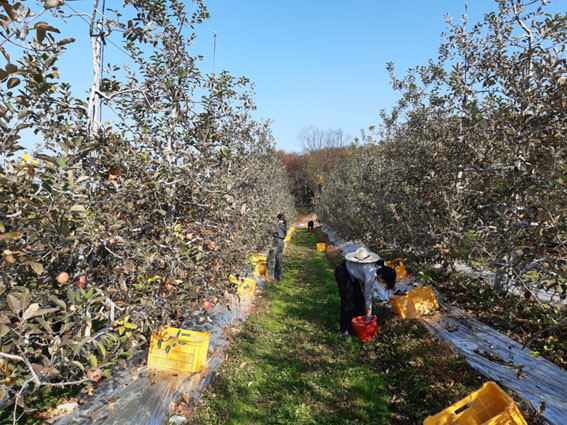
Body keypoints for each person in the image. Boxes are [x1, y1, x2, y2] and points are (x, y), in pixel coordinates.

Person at [334, 247, 396, 338]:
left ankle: (356, 322)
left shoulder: (382, 267)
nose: (383, 284)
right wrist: (369, 315)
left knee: (359, 299)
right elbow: (367, 295)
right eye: (384, 282)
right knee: (348, 302)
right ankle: (344, 329)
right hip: (343, 272)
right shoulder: (371, 274)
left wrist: (396, 291)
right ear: (381, 276)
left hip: (351, 272)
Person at [267, 213, 287, 282]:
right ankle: (278, 277)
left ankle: (268, 275)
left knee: (269, 258)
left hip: (276, 242)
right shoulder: (284, 225)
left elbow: (272, 231)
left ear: (278, 218)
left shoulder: (278, 224)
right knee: (279, 260)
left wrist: (266, 226)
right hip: (281, 243)